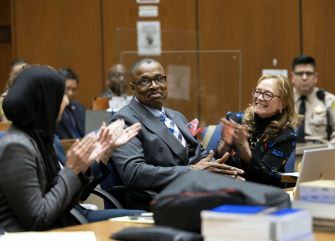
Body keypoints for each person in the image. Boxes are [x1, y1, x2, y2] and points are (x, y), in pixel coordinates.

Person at [0, 65, 143, 232]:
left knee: (142, 220)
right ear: (46, 101)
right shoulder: (16, 146)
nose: (67, 101)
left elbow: (72, 198)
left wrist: (94, 157)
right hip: (36, 234)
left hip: (63, 222)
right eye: (61, 95)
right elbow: (39, 218)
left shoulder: (39, 137)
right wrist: (71, 169)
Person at [110, 58, 244, 210]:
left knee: (244, 195)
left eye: (159, 79)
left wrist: (223, 172)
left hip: (193, 191)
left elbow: (199, 156)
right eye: (145, 81)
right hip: (160, 200)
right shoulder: (125, 119)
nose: (154, 86)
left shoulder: (176, 116)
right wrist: (192, 171)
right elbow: (134, 173)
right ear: (133, 86)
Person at [217, 75, 298, 187]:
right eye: (257, 92)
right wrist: (225, 145)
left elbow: (265, 177)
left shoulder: (286, 136)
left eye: (267, 94)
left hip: (262, 194)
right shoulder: (236, 120)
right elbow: (216, 162)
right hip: (228, 186)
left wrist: (245, 149)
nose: (259, 98)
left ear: (283, 103)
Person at [291, 55, 335, 144]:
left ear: (315, 77)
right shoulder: (283, 100)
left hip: (319, 152)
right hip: (289, 153)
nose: (304, 78)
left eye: (309, 73)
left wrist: (329, 149)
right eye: (300, 73)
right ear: (292, 77)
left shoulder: (329, 100)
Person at [55, 67, 85, 139]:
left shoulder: (79, 107)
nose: (70, 93)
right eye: (67, 88)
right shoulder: (52, 110)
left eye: (74, 89)